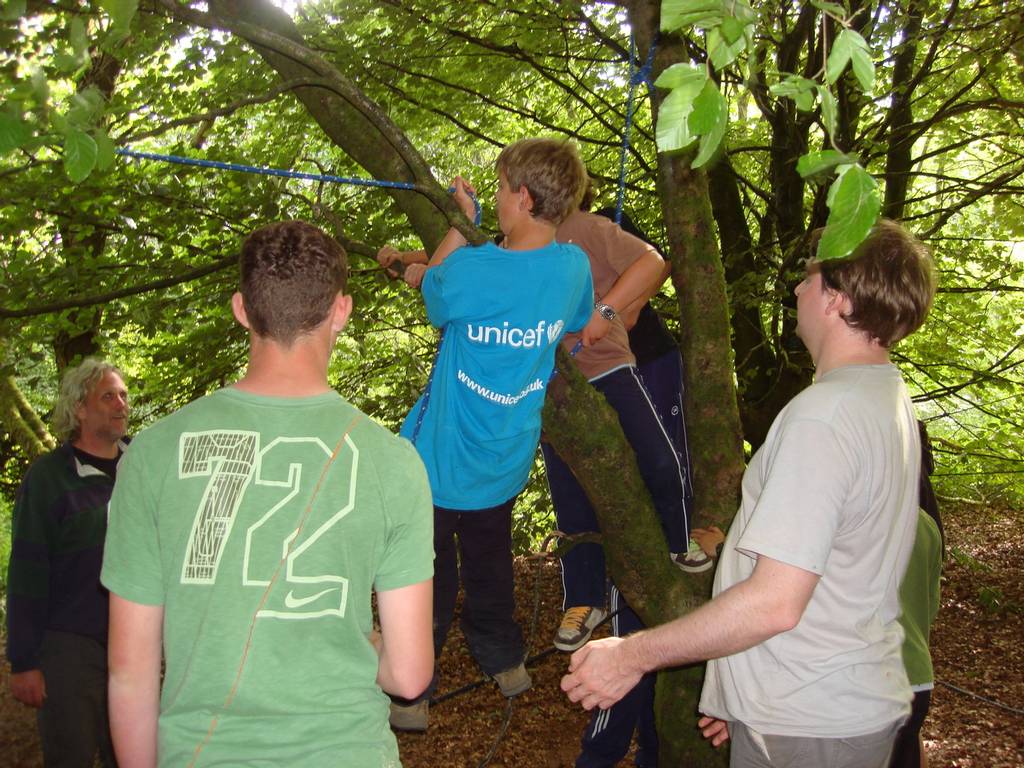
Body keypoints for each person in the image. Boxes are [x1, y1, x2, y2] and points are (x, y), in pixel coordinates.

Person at [561, 219, 936, 768]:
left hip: (808, 726)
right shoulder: (884, 394)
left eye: (809, 278)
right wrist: (739, 689)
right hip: (816, 706)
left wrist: (632, 655)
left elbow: (775, 602)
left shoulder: (824, 419)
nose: (799, 290)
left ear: (837, 296)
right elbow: (834, 572)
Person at [101, 221, 434, 767]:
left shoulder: (152, 455)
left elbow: (128, 670)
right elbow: (409, 673)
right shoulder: (393, 463)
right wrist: (368, 644)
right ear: (341, 311)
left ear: (240, 309)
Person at [379, 138, 594, 731]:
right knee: (490, 561)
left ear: (522, 198)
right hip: (504, 459)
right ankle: (503, 659)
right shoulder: (572, 267)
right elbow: (576, 322)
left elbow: (436, 290)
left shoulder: (474, 269)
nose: (496, 197)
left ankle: (412, 691)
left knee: (427, 573)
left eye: (500, 189)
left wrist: (458, 223)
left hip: (440, 460)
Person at [6, 357, 128, 768]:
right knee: (70, 755)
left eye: (124, 395)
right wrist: (24, 662)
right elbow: (27, 569)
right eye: (108, 396)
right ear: (80, 408)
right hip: (69, 644)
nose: (121, 404)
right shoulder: (50, 479)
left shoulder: (143, 466)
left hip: (135, 641)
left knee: (133, 754)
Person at [890, 423, 944, 768]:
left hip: (875, 680)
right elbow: (931, 607)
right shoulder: (925, 524)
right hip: (918, 679)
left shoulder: (855, 525)